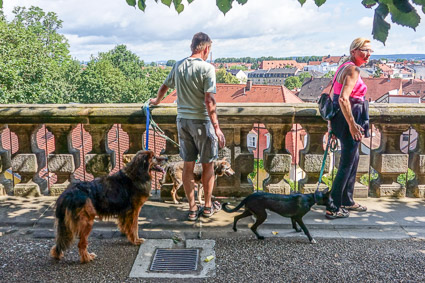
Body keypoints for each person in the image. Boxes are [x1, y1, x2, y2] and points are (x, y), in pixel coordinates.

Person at [150, 32, 226, 221]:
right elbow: (209, 100)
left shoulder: (178, 65)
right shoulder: (207, 69)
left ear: (192, 46)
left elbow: (164, 87)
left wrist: (157, 101)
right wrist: (217, 128)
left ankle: (192, 208)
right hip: (201, 122)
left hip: (182, 121)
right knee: (208, 166)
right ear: (206, 48)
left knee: (188, 166)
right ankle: (207, 207)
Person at [326, 37, 371, 219]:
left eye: (370, 51)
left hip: (342, 118)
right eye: (364, 50)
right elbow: (343, 98)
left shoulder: (343, 67)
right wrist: (352, 125)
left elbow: (334, 97)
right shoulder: (352, 69)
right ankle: (333, 206)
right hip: (349, 119)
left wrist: (332, 125)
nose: (368, 55)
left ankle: (347, 199)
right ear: (354, 51)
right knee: (346, 163)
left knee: (353, 159)